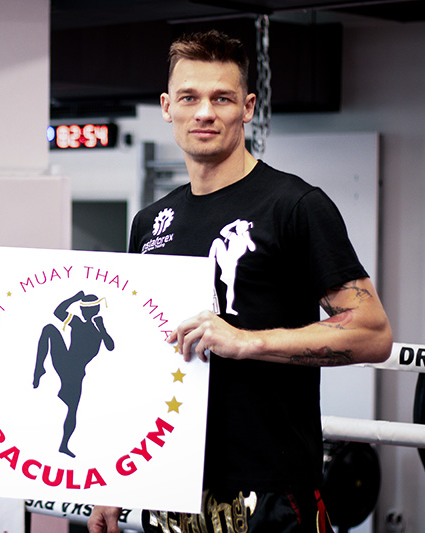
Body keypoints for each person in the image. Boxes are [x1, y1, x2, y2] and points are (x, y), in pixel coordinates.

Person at [88, 30, 392, 533]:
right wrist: (118, 477)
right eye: (189, 97)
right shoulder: (150, 223)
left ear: (247, 107)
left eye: (222, 98)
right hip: (172, 486)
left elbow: (372, 332)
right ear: (167, 107)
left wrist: (248, 342)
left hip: (271, 491)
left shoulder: (294, 206)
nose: (204, 112)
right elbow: (143, 359)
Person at [33, 291, 115, 457]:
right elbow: (58, 312)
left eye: (85, 309)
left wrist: (102, 328)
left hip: (75, 372)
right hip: (66, 362)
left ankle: (64, 445)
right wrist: (75, 298)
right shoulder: (78, 323)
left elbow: (110, 346)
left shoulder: (96, 330)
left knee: (72, 409)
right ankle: (39, 369)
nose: (83, 312)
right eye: (82, 309)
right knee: (49, 329)